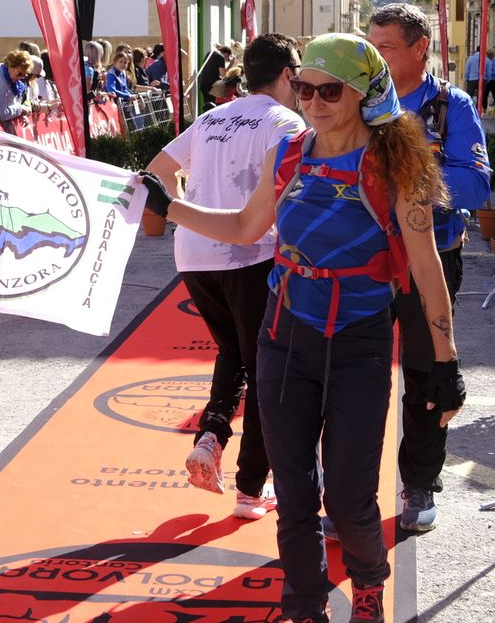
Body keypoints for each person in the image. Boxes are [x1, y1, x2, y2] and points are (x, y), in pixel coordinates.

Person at [141, 33, 464, 623]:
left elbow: (424, 264)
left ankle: (368, 580)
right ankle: (304, 607)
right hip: (284, 335)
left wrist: (446, 361)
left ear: (365, 93)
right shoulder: (288, 152)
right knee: (293, 497)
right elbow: (244, 227)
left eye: (329, 89)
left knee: (348, 499)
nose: (313, 100)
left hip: (360, 343)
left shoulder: (396, 165)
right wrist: (170, 204)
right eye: (304, 86)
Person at [146, 33, 305, 520]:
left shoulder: (213, 117)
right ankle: (251, 488)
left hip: (194, 254)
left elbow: (155, 172)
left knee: (235, 354)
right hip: (251, 252)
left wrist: (181, 210)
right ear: (284, 75)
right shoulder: (285, 121)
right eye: (297, 77)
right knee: (265, 366)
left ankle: (211, 437)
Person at [366, 4, 491, 533]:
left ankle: (419, 482)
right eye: (371, 46)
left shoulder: (450, 107)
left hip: (433, 261)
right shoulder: (358, 100)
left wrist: (411, 183)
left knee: (425, 373)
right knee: (358, 377)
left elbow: (477, 185)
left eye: (386, 47)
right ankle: (350, 490)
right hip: (364, 264)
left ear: (420, 47)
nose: (375, 57)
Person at [0, 49, 36, 122]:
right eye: (19, 74)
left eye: (24, 75)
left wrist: (21, 114)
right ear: (10, 66)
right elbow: (0, 114)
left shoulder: (13, 81)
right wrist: (20, 109)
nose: (20, 78)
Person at [482, 47, 495, 112]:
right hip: (489, 80)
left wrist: (489, 72)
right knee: (485, 95)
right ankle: (484, 108)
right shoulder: (490, 60)